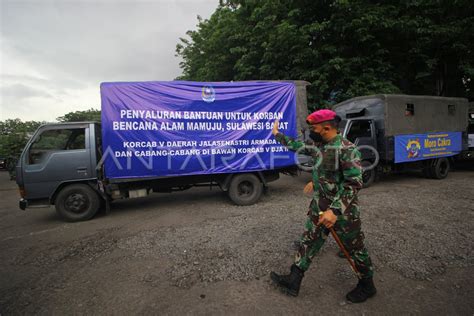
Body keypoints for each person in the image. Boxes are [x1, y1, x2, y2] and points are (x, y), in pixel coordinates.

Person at [270, 109, 376, 303]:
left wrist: (335, 211)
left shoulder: (346, 149)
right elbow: (299, 146)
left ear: (327, 128)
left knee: (355, 249)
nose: (311, 131)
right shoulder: (321, 145)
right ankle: (294, 280)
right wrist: (277, 135)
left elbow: (353, 183)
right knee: (309, 241)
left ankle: (367, 285)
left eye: (314, 128)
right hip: (319, 207)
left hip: (343, 214)